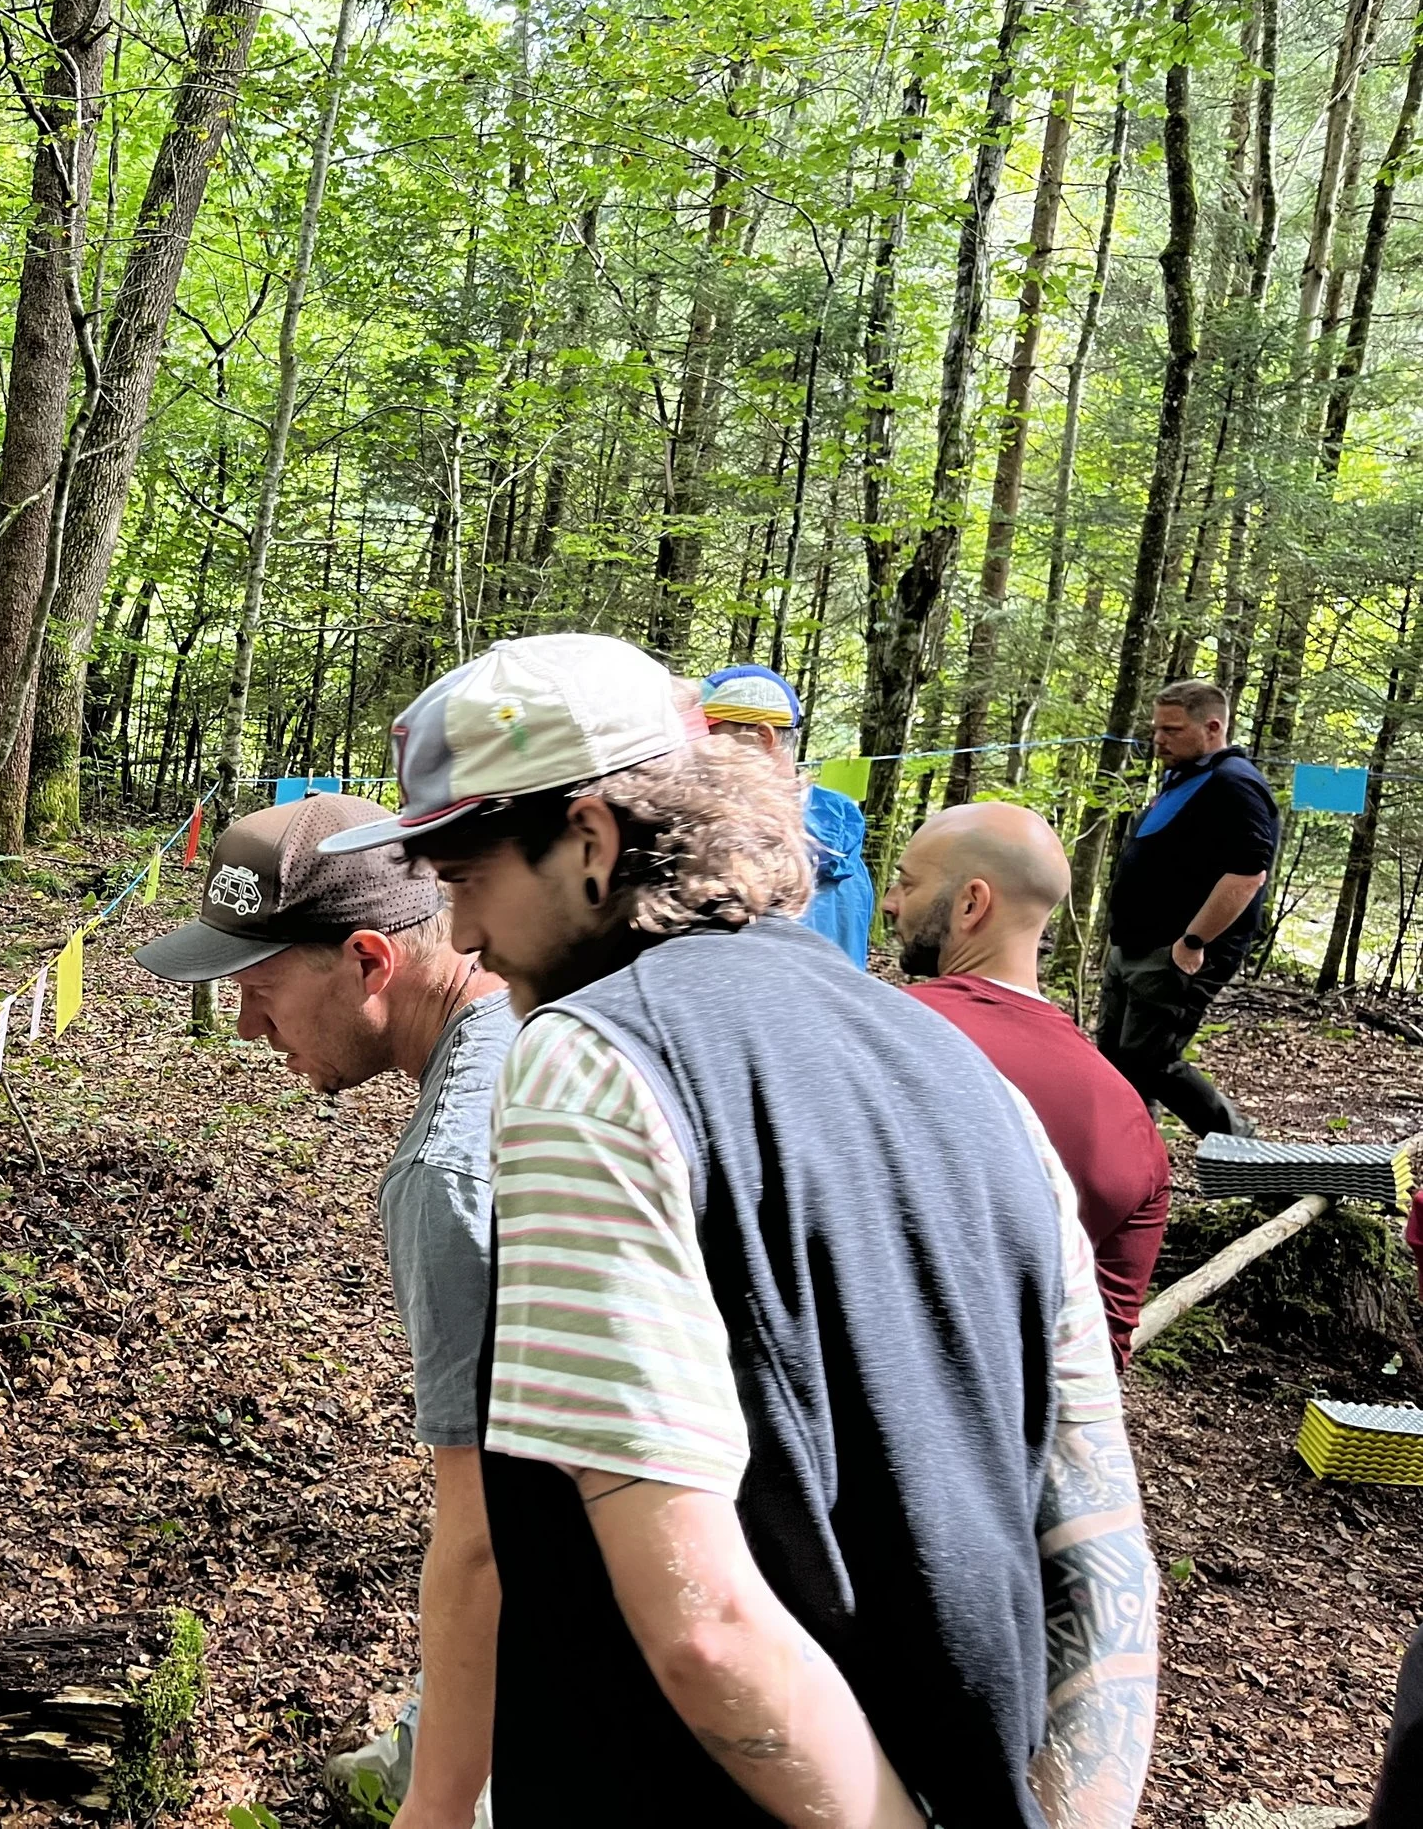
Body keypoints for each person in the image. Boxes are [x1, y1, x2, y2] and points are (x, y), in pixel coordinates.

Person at [323, 633, 1156, 1829]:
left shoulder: (582, 1064)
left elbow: (704, 1627)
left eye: (468, 880)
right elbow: (1096, 1537)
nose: (459, 938)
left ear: (590, 841)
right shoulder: (958, 1065)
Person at [133, 791, 510, 1829]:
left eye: (259, 990)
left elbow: (491, 1535)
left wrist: (438, 1803)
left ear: (368, 960)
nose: (247, 1027)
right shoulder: (544, 1014)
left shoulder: (449, 1171)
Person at [885, 802, 1172, 1365]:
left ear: (971, 904)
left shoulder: (872, 1032)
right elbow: (1100, 1353)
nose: (892, 901)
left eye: (907, 883)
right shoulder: (1130, 1123)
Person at [1098, 678, 1280, 1138]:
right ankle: (1128, 1155)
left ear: (1213, 727)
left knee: (1151, 1061)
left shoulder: (1234, 784)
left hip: (1176, 952)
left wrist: (1193, 941)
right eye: (1156, 728)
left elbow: (1248, 874)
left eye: (1172, 730)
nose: (1158, 739)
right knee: (1115, 1061)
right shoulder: (1184, 777)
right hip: (1135, 945)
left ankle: (1244, 1150)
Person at [699, 663, 872, 967]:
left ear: (761, 739)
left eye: (707, 737)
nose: (694, 755)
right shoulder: (846, 847)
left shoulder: (747, 849)